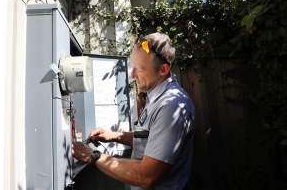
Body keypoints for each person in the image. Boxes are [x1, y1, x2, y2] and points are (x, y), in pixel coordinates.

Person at [72, 32, 196, 190]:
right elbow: (152, 138)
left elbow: (147, 176)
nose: (132, 75)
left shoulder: (170, 107)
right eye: (132, 66)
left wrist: (92, 156)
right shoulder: (156, 95)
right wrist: (114, 136)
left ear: (163, 69)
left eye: (139, 69)